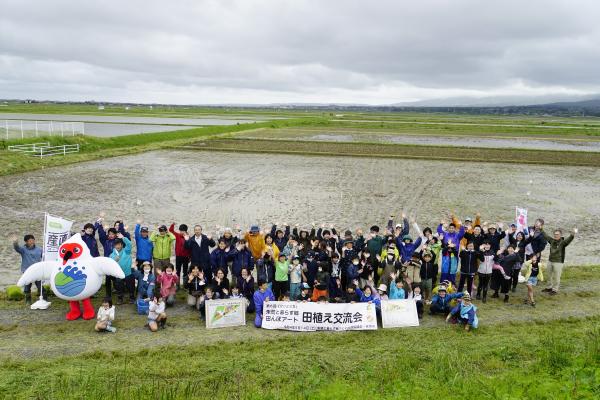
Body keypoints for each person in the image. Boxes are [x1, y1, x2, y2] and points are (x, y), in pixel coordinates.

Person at [541, 227, 576, 295]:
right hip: (550, 261)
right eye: (555, 234)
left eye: (557, 234)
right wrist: (541, 229)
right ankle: (549, 287)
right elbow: (546, 236)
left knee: (556, 277)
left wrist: (573, 233)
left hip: (558, 262)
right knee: (548, 275)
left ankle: (555, 289)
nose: (555, 235)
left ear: (560, 235)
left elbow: (569, 239)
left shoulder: (563, 242)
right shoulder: (551, 240)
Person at [12, 234, 43, 304]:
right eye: (30, 241)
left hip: (37, 271)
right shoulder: (23, 249)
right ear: (26, 242)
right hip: (27, 271)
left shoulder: (39, 249)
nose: (32, 242)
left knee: (40, 285)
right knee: (27, 286)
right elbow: (17, 248)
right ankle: (28, 300)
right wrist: (15, 242)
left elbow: (44, 257)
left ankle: (44, 298)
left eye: (33, 240)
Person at [110, 234, 135, 304]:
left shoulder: (126, 251)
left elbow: (129, 244)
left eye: (119, 244)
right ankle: (120, 298)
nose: (118, 246)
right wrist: (114, 260)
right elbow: (110, 264)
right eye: (116, 245)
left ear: (121, 245)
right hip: (118, 274)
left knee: (130, 285)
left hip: (128, 273)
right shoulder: (112, 255)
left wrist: (123, 238)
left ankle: (132, 297)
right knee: (118, 285)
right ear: (114, 246)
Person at [169, 223, 191, 287]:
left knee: (185, 271)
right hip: (178, 257)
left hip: (185, 257)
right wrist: (172, 224)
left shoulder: (189, 237)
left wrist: (190, 257)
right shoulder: (177, 235)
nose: (181, 232)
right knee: (177, 271)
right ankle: (177, 285)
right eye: (180, 231)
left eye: (182, 231)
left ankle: (184, 285)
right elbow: (171, 231)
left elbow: (190, 248)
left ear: (185, 231)